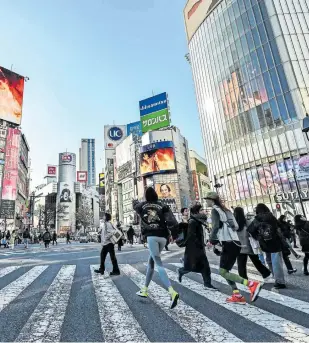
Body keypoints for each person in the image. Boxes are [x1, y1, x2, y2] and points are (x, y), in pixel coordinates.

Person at [206, 192, 261, 304]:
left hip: (229, 243)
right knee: (225, 271)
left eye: (207, 199)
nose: (206, 201)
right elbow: (235, 226)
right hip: (235, 243)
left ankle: (252, 285)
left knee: (223, 272)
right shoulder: (227, 211)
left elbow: (216, 227)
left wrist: (211, 241)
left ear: (212, 200)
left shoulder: (215, 210)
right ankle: (237, 294)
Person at [133, 187, 180, 309]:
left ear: (146, 196)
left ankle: (172, 291)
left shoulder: (142, 206)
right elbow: (172, 221)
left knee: (158, 263)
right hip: (163, 237)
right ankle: (144, 289)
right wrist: (174, 235)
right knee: (151, 262)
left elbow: (135, 206)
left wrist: (136, 201)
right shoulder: (163, 205)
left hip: (151, 236)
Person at [178, 204, 217, 290]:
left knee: (200, 267)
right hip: (194, 249)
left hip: (198, 248)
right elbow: (191, 236)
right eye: (201, 210)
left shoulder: (197, 221)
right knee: (201, 266)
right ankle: (207, 284)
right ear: (197, 211)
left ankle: (207, 284)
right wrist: (199, 245)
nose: (203, 211)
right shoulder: (192, 221)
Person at [248, 204, 286, 289]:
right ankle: (280, 281)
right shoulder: (271, 217)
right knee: (276, 262)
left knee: (269, 260)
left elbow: (250, 230)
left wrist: (258, 237)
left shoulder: (257, 219)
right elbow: (281, 226)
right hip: (275, 242)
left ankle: (275, 277)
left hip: (264, 243)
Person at [234, 207, 272, 282]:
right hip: (249, 245)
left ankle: (244, 280)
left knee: (241, 265)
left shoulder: (233, 224)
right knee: (256, 262)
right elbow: (254, 231)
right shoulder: (248, 222)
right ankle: (266, 275)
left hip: (238, 247)